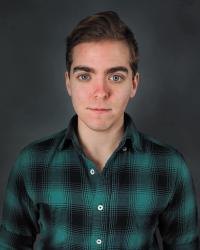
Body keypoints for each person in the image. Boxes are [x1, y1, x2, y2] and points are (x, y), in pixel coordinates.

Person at [0, 11, 199, 250]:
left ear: (133, 84)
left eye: (115, 77)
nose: (100, 92)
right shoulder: (31, 164)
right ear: (68, 82)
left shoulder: (169, 167)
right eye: (85, 76)